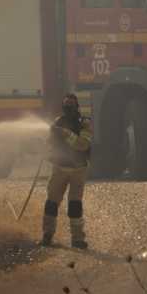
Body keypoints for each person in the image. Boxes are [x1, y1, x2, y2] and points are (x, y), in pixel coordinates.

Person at [41, 94, 92, 248]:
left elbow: (82, 145)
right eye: (65, 107)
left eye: (71, 107)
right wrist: (48, 143)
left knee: (75, 205)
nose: (68, 110)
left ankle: (77, 240)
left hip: (78, 169)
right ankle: (47, 237)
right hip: (59, 168)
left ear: (77, 108)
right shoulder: (57, 122)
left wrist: (65, 133)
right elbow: (49, 143)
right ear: (61, 108)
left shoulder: (85, 123)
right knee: (51, 203)